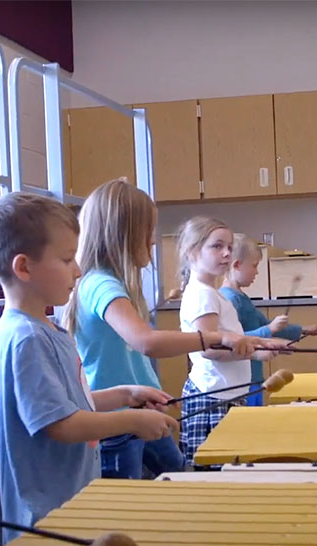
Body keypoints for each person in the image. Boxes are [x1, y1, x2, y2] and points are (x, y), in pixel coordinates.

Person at [0, 191, 178, 542]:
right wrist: (133, 420)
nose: (79, 269)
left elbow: (70, 404)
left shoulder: (47, 329)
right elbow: (61, 425)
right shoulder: (27, 338)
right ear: (24, 267)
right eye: (68, 258)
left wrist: (124, 394)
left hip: (69, 504)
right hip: (44, 519)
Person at [64, 179, 260, 479]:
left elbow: (133, 355)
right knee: (130, 505)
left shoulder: (116, 284)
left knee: (181, 477)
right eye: (148, 231)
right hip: (118, 423)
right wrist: (217, 337)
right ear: (125, 234)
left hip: (141, 411)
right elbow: (146, 343)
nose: (154, 240)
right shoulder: (100, 284)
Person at [177, 217, 283, 467]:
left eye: (228, 246)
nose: (226, 253)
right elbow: (210, 349)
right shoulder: (202, 295)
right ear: (192, 251)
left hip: (223, 394)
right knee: (214, 475)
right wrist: (254, 353)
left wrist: (262, 343)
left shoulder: (210, 293)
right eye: (216, 246)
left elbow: (229, 338)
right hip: (213, 397)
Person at [220, 234, 317, 406]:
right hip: (241, 382)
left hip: (254, 378)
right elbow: (233, 339)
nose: (257, 272)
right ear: (237, 265)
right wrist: (269, 331)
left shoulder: (242, 297)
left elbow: (267, 325)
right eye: (255, 266)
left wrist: (305, 329)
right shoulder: (229, 300)